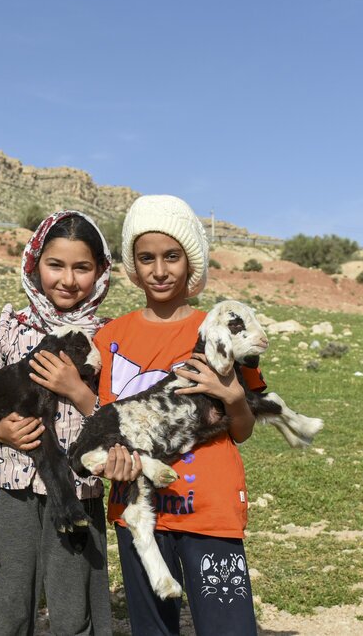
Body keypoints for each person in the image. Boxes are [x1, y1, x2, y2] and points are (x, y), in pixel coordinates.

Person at [93, 195, 263, 636]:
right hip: (138, 510)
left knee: (229, 630)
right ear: (133, 264)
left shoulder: (221, 328)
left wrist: (233, 397)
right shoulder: (111, 337)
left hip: (210, 509)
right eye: (146, 258)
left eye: (172, 256)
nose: (159, 270)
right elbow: (110, 425)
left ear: (191, 262)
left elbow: (242, 430)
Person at [0, 211, 114, 636]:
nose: (68, 280)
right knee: (8, 608)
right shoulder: (12, 329)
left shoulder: (109, 338)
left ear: (101, 271)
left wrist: (77, 390)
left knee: (73, 612)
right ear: (35, 264)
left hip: (77, 492)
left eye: (82, 267)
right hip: (11, 493)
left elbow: (120, 419)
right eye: (56, 265)